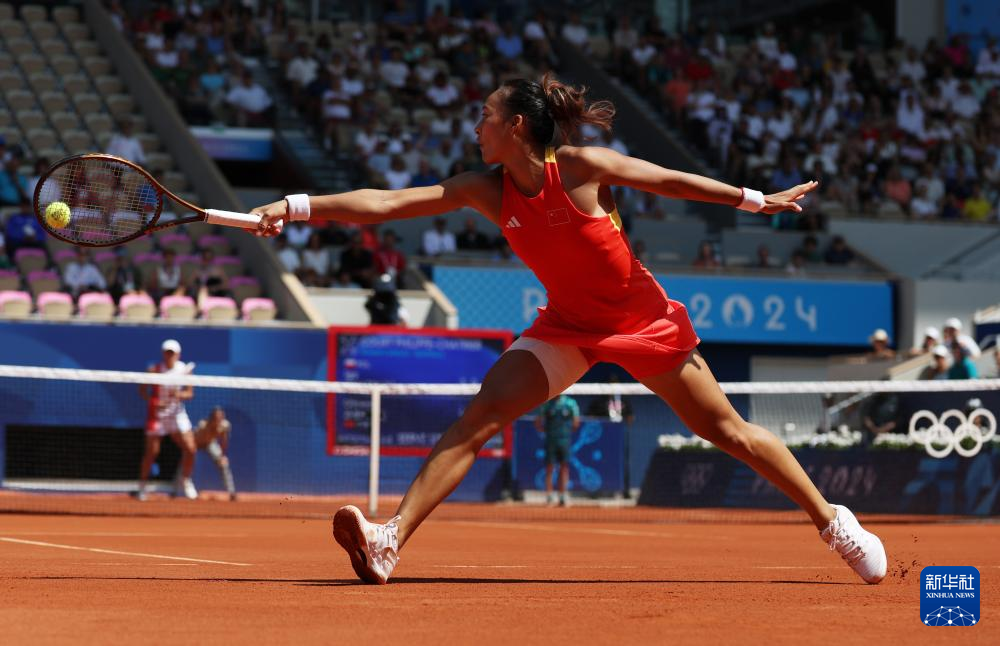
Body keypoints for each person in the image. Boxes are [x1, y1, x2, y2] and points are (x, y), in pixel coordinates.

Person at [251, 73, 886, 586]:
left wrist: (754, 198)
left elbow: (668, 180)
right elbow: (386, 203)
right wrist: (293, 207)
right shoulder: (485, 189)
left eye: (485, 116)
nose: (476, 127)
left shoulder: (581, 167)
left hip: (642, 321)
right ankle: (389, 541)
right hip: (568, 326)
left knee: (729, 432)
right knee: (481, 416)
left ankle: (834, 522)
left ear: (515, 126)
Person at [137, 339, 197, 501]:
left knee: (191, 449)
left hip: (177, 415)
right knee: (152, 452)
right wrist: (155, 402)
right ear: (163, 354)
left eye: (172, 353)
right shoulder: (154, 370)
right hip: (158, 416)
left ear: (178, 354)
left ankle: (185, 480)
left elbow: (189, 394)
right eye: (167, 352)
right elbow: (142, 391)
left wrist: (178, 394)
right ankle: (142, 487)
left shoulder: (185, 370)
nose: (170, 355)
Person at [534, 392, 580, 506]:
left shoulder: (570, 403)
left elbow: (576, 422)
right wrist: (547, 432)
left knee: (564, 467)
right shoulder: (546, 404)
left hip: (564, 441)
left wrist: (566, 432)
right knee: (550, 467)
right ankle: (549, 496)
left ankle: (562, 496)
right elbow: (538, 421)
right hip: (550, 441)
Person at [192, 406, 237, 501]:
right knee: (185, 463)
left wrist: (223, 456)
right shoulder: (202, 425)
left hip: (210, 443)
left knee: (224, 464)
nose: (218, 420)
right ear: (211, 418)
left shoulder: (225, 425)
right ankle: (177, 491)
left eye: (220, 418)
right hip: (196, 443)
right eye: (216, 418)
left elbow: (224, 440)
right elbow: (193, 439)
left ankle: (232, 492)